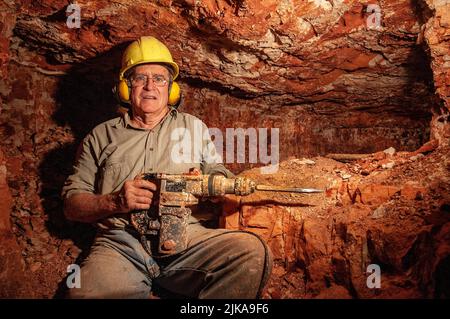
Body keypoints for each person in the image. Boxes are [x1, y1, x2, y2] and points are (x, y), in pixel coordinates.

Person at [62, 36, 273, 299]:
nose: (150, 86)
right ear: (126, 87)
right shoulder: (100, 136)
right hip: (121, 243)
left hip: (187, 237)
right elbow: (72, 206)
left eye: (159, 78)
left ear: (171, 88)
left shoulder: (193, 127)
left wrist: (210, 184)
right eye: (140, 78)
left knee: (250, 252)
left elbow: (217, 170)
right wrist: (115, 202)